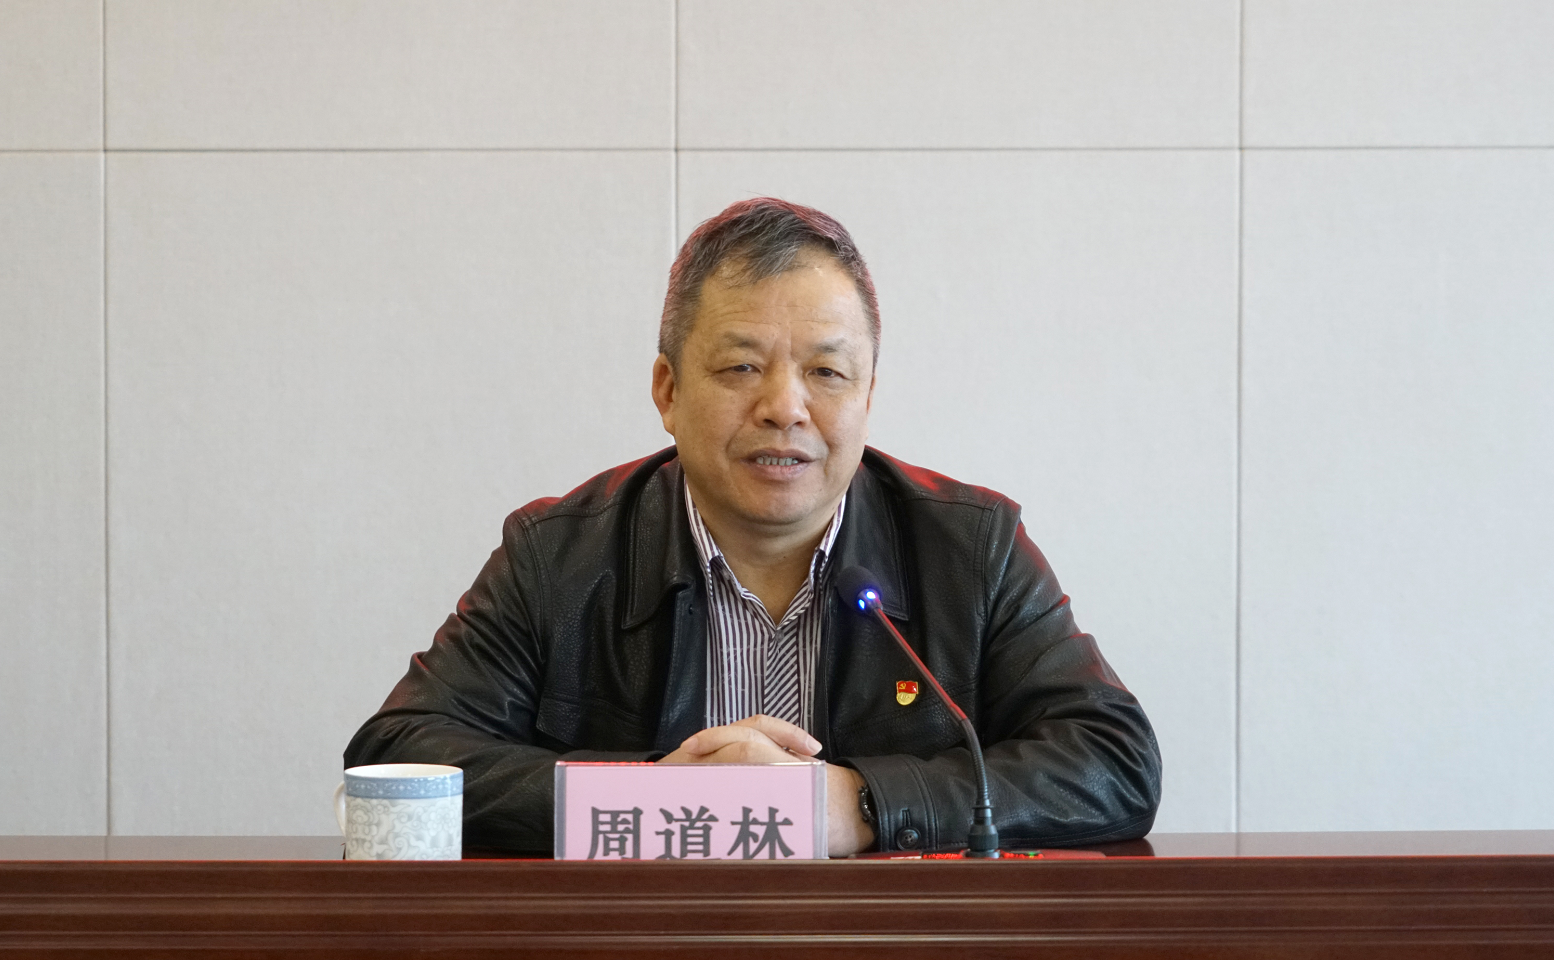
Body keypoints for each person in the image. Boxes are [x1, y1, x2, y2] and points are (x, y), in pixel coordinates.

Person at [345, 198, 1161, 857]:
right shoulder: (559, 558)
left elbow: (1112, 760)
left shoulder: (971, 550)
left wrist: (863, 803)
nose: (784, 408)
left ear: (867, 396)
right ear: (667, 390)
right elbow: (398, 758)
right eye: (741, 367)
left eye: (827, 372)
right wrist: (659, 799)